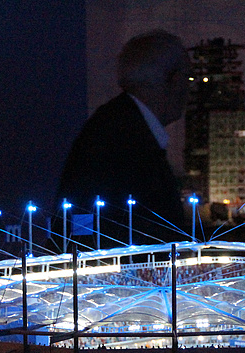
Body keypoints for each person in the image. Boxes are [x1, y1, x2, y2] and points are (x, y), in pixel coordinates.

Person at [55, 30, 191, 247]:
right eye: (187, 77)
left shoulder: (116, 126)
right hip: (131, 274)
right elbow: (81, 211)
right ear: (172, 79)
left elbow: (79, 213)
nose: (189, 88)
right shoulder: (121, 136)